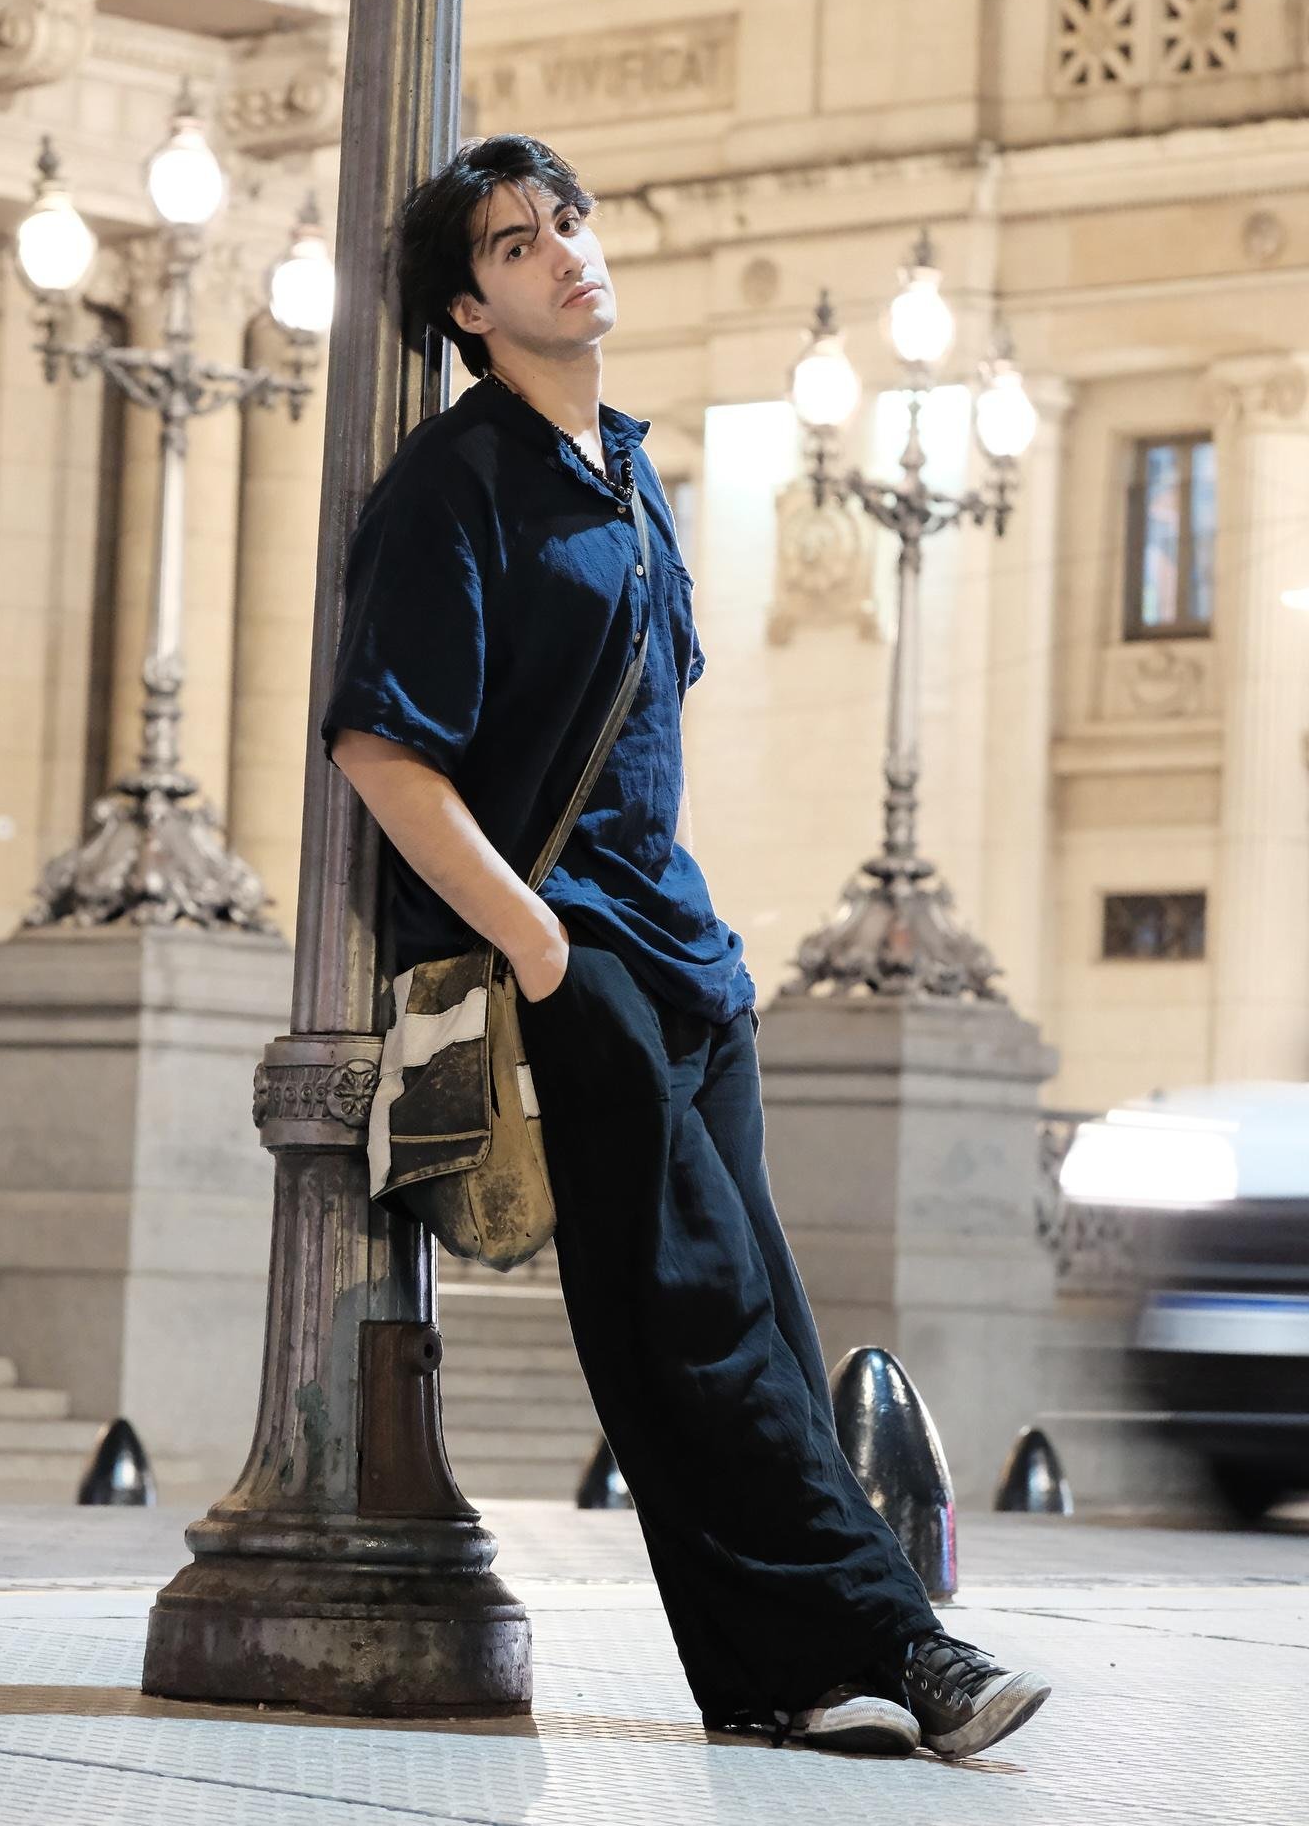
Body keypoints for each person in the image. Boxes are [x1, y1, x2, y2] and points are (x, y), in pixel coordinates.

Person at [321, 132, 1050, 1760]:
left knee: (737, 1318)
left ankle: (766, 1675)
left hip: (683, 952)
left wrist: (697, 931)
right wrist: (541, 949)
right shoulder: (455, 482)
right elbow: (381, 747)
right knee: (699, 1307)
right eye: (517, 244)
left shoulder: (631, 472)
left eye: (570, 221)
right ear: (469, 309)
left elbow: (653, 722)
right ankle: (904, 1646)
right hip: (569, 955)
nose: (565, 252)